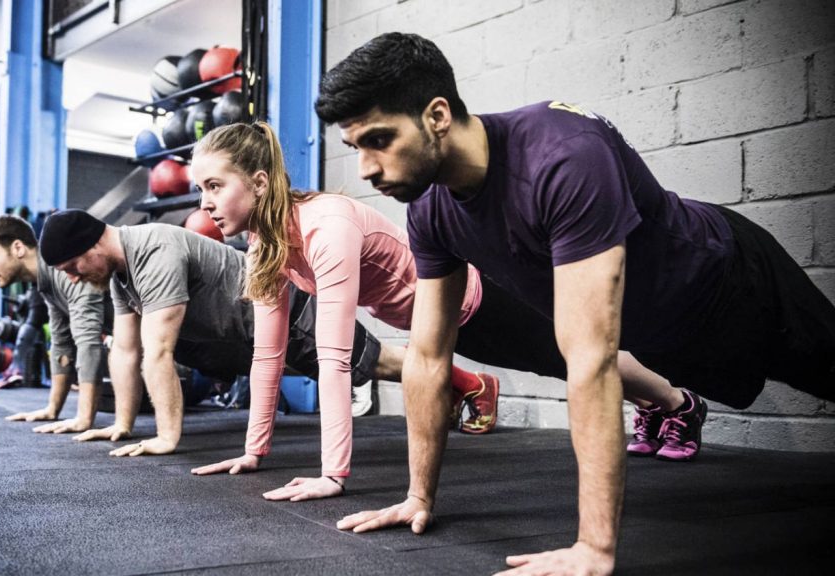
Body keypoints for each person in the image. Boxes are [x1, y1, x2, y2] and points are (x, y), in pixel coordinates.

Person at [314, 32, 835, 575]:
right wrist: (418, 497)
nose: (367, 170)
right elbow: (426, 355)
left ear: (437, 114)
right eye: (356, 149)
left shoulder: (562, 155)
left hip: (730, 285)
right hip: (665, 338)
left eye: (379, 140)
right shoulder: (430, 209)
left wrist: (595, 548)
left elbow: (589, 356)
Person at [188, 122, 508, 500]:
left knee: (571, 357)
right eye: (200, 190)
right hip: (434, 325)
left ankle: (477, 385)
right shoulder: (265, 244)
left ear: (259, 183)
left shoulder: (326, 227)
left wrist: (332, 475)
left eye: (215, 186)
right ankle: (473, 385)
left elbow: (335, 360)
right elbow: (267, 355)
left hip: (481, 306)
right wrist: (253, 451)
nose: (205, 204)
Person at [38, 210, 416, 463]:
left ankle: (465, 381)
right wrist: (123, 424)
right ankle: (448, 383)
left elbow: (157, 352)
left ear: (94, 245)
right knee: (357, 370)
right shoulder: (122, 276)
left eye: (73, 267)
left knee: (379, 364)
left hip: (290, 312)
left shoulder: (153, 250)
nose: (72, 278)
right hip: (246, 340)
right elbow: (124, 351)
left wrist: (168, 438)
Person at [0, 214, 108, 434]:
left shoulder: (66, 270)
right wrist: (52, 409)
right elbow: (62, 344)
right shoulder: (46, 283)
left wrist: (84, 418)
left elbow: (88, 342)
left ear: (18, 248)